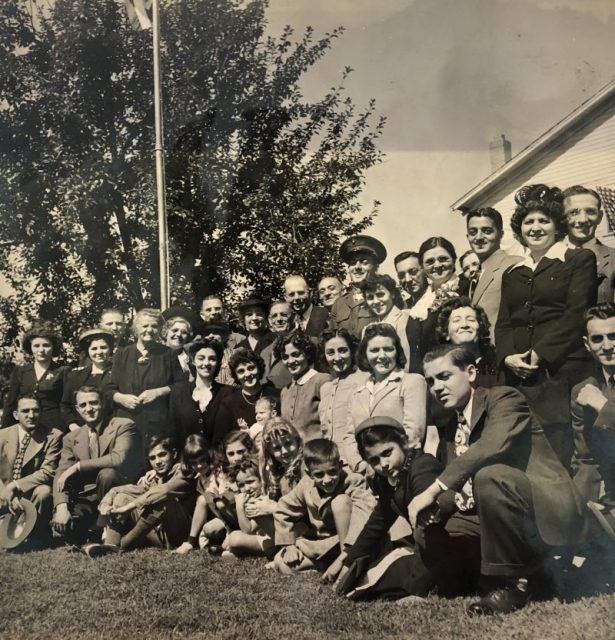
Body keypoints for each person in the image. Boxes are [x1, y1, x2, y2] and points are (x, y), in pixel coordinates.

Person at [408, 345, 589, 615]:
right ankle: (524, 578)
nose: (437, 387)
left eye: (444, 376)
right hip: (495, 516)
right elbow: (457, 484)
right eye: (431, 381)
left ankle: (511, 586)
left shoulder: (504, 398)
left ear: (470, 372)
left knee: (490, 476)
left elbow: (491, 445)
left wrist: (433, 490)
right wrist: (435, 507)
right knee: (438, 521)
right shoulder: (452, 426)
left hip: (545, 511)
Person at [496, 184, 598, 465]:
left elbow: (576, 315)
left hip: (561, 372)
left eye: (544, 220)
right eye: (529, 222)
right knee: (529, 456)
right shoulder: (512, 273)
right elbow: (504, 323)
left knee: (567, 455)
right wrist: (507, 357)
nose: (536, 228)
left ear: (557, 226)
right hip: (520, 376)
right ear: (520, 230)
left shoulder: (577, 260)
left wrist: (538, 354)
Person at [326, 416, 443, 600]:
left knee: (377, 583)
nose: (383, 465)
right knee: (363, 577)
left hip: (445, 550)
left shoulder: (422, 465)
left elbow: (430, 528)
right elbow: (378, 521)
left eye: (387, 453)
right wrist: (346, 558)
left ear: (403, 443)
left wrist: (418, 591)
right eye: (374, 460)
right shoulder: (388, 478)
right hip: (423, 546)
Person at [51, 385, 142, 543]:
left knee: (107, 474)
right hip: (87, 497)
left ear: (103, 404)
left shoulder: (123, 425)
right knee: (64, 531)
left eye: (93, 403)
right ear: (78, 410)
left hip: (116, 491)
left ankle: (107, 527)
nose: (89, 409)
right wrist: (61, 507)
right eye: (83, 405)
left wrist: (78, 466)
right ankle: (92, 527)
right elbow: (61, 473)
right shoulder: (71, 437)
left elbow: (117, 458)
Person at [273, 439, 375, 575]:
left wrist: (346, 554)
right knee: (281, 563)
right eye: (319, 475)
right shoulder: (306, 485)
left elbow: (365, 514)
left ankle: (347, 563)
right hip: (325, 545)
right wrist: (289, 545)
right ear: (309, 474)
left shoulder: (353, 481)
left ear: (340, 465)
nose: (327, 480)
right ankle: (325, 565)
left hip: (352, 543)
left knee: (340, 501)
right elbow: (282, 509)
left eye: (332, 472)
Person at [91, 435, 197, 553]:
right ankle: (110, 545)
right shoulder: (153, 478)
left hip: (179, 536)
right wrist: (106, 504)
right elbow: (119, 490)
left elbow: (165, 491)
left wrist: (129, 507)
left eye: (162, 455)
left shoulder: (184, 471)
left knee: (162, 500)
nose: (158, 462)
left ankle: (123, 545)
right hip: (157, 534)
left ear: (174, 454)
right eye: (152, 458)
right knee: (122, 497)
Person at [345, 323, 427, 473]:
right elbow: (349, 436)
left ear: (397, 351)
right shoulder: (358, 392)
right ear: (365, 354)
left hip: (402, 470)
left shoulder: (412, 382)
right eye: (374, 350)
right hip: (366, 474)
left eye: (388, 349)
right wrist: (360, 465)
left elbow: (413, 432)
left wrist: (388, 464)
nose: (382, 356)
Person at [107, 308, 185, 449]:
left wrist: (157, 392)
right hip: (126, 422)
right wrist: (120, 397)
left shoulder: (168, 354)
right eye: (145, 326)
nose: (149, 330)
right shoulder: (122, 354)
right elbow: (108, 388)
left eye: (154, 326)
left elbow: (182, 385)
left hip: (157, 422)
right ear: (136, 328)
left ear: (160, 329)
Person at [0, 395, 62, 540]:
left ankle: (33, 534)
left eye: (35, 411)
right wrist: (4, 490)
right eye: (25, 411)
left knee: (44, 492)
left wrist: (14, 486)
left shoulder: (53, 436)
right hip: (3, 491)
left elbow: (47, 472)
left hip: (30, 491)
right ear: (16, 415)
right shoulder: (2, 435)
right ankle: (8, 526)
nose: (31, 415)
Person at [570, 304, 615, 507]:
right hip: (604, 496)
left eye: (613, 336)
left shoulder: (593, 396)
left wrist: (603, 406)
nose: (607, 346)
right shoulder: (584, 390)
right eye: (597, 338)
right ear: (587, 344)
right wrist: (583, 503)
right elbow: (585, 459)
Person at [465, 207, 522, 340]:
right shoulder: (472, 275)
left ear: (501, 234)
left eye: (487, 231)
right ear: (467, 237)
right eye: (473, 232)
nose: (479, 237)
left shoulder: (514, 264)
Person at [169, 338, 234, 446]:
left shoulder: (229, 392)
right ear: (193, 361)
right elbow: (174, 432)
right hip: (188, 460)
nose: (206, 363)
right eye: (201, 358)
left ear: (218, 363)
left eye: (212, 359)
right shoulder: (178, 393)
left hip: (219, 459)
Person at [2, 321, 66, 430]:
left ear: (53, 347)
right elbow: (11, 403)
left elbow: (66, 404)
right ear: (30, 347)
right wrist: (5, 430)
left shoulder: (63, 371)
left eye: (46, 345)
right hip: (26, 426)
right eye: (36, 346)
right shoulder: (21, 371)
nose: (41, 350)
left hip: (54, 427)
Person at [318, 328, 365, 463]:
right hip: (332, 464)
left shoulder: (364, 379)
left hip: (357, 461)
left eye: (343, 350)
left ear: (353, 351)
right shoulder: (326, 388)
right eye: (330, 352)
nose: (337, 358)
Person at [275, 331, 331, 442]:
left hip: (319, 452)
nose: (290, 361)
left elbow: (331, 423)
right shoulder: (285, 391)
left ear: (307, 354)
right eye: (285, 357)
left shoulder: (322, 380)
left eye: (296, 355)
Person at [563, 185, 615, 305]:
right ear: (562, 217)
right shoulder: (550, 259)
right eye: (573, 212)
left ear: (600, 217)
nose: (582, 219)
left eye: (590, 212)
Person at [329, 235, 386, 338]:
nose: (357, 267)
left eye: (364, 262)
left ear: (375, 267)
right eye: (353, 263)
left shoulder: (384, 298)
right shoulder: (339, 303)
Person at [358, 274, 416, 372]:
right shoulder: (367, 329)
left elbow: (406, 364)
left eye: (380, 294)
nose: (375, 301)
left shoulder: (406, 318)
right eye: (370, 297)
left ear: (392, 294)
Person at [434, 297, 497, 387]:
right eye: (456, 320)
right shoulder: (440, 371)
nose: (464, 325)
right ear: (446, 333)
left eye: (471, 320)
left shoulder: (496, 366)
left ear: (481, 328)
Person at [61, 328, 115, 432]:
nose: (99, 352)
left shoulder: (119, 373)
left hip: (111, 430)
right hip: (82, 430)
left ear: (110, 349)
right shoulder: (75, 376)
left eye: (103, 347)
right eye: (94, 349)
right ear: (88, 352)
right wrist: (73, 426)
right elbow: (65, 405)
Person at [222, 456, 275, 559]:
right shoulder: (254, 497)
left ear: (262, 478)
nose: (246, 488)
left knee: (234, 539)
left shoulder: (263, 500)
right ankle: (239, 551)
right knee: (231, 538)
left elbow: (249, 529)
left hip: (273, 541)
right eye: (241, 485)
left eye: (250, 482)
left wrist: (239, 507)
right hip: (264, 538)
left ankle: (241, 552)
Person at [216, 349, 279, 435]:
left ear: (259, 369)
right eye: (241, 371)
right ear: (236, 376)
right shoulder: (229, 404)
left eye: (251, 368)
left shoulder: (276, 395)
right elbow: (221, 440)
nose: (248, 374)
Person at [261, 301, 296, 390]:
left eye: (283, 315)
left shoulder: (304, 344)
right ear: (270, 321)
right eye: (274, 316)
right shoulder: (265, 352)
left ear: (294, 317)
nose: (279, 319)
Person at [199, 321, 236, 386]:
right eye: (207, 333)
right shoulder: (198, 357)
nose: (210, 336)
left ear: (225, 336)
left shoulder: (235, 354)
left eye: (215, 332)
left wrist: (236, 380)